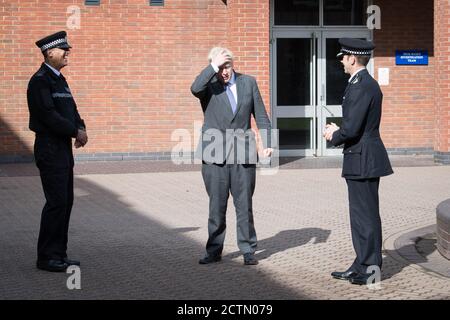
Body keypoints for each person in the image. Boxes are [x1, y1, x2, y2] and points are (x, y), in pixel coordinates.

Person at [191, 47, 273, 265]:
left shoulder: (248, 82)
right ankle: (214, 250)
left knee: (244, 203)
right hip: (214, 154)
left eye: (226, 66)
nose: (224, 72)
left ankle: (248, 249)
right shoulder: (209, 86)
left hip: (243, 153)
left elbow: (262, 116)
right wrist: (212, 67)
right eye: (219, 68)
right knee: (216, 205)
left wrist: (267, 144)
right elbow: (194, 88)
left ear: (233, 64)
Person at [324, 38, 393, 285]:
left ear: (353, 58)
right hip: (362, 157)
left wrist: (334, 134)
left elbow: (352, 129)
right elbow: (356, 124)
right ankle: (361, 264)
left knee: (365, 217)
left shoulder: (362, 85)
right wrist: (341, 129)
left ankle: (370, 271)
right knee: (362, 216)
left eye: (343, 57)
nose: (341, 61)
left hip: (362, 158)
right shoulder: (361, 83)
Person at [27, 31, 88, 272]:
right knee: (56, 203)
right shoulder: (40, 80)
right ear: (49, 52)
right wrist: (75, 131)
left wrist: (80, 126)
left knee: (66, 202)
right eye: (63, 49)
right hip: (49, 148)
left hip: (62, 149)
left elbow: (71, 108)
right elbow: (48, 115)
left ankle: (59, 254)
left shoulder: (59, 79)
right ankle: (46, 257)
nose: (67, 53)